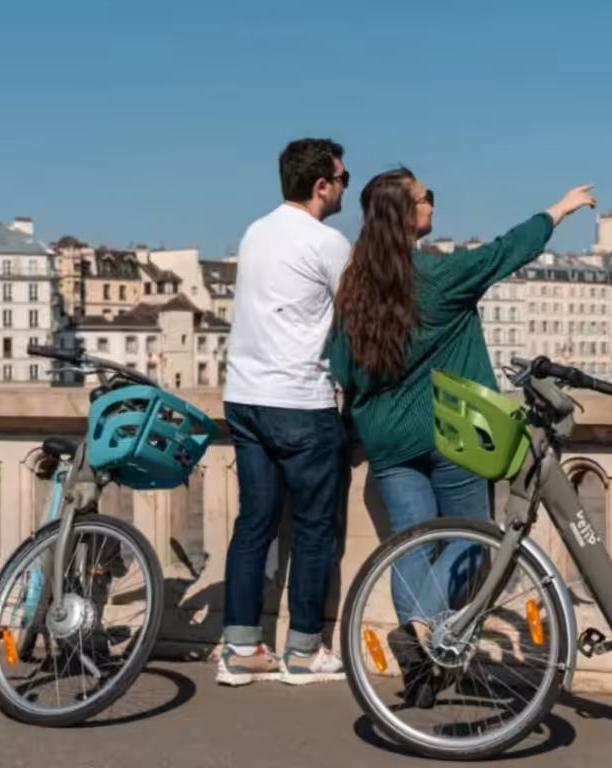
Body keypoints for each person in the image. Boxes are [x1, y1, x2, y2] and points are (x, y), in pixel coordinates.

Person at [326, 168, 596, 705]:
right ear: (407, 214)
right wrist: (559, 209)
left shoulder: (354, 287)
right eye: (426, 197)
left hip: (386, 438)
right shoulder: (438, 274)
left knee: (411, 543)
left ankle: (422, 664)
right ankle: (430, 635)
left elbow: (342, 368)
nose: (432, 203)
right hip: (451, 431)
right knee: (473, 538)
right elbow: (504, 252)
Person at [218, 138, 352, 686]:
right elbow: (360, 316)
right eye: (342, 179)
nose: (344, 188)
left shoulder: (255, 232)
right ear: (321, 185)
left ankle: (240, 649)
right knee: (315, 527)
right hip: (298, 400)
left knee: (254, 524)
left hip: (244, 396)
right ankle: (302, 651)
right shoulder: (328, 242)